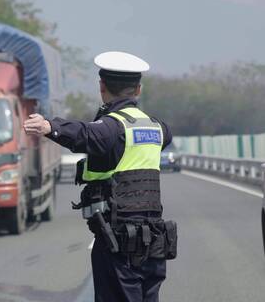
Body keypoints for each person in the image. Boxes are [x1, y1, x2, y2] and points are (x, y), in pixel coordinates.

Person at [23, 51, 177, 302]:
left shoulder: (112, 127)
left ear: (101, 87)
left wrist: (50, 126)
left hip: (118, 239)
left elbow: (86, 133)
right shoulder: (158, 128)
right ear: (138, 89)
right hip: (154, 238)